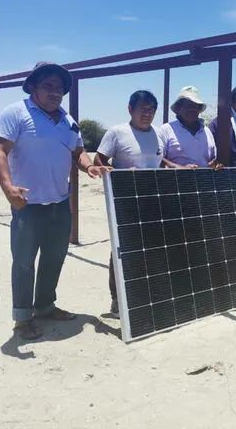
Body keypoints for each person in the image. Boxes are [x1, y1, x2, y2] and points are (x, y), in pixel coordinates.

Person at [0, 62, 109, 340]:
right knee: (23, 262)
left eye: (60, 88)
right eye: (48, 86)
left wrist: (88, 166)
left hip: (59, 202)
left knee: (54, 258)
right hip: (27, 205)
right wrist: (8, 188)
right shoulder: (15, 113)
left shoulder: (68, 121)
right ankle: (22, 318)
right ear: (33, 86)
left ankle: (44, 306)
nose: (55, 92)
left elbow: (77, 152)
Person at [93, 90, 164, 317]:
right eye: (142, 108)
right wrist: (122, 174)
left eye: (151, 109)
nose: (147, 113)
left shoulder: (158, 135)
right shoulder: (117, 133)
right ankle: (117, 300)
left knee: (150, 250)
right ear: (130, 109)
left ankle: (143, 295)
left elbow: (159, 165)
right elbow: (99, 162)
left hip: (153, 202)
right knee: (122, 251)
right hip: (124, 202)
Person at [158, 86, 220, 169]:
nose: (192, 109)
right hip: (175, 180)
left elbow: (213, 159)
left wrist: (215, 163)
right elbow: (157, 159)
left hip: (204, 180)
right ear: (178, 110)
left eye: (195, 106)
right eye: (188, 106)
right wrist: (179, 167)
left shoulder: (207, 131)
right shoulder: (166, 129)